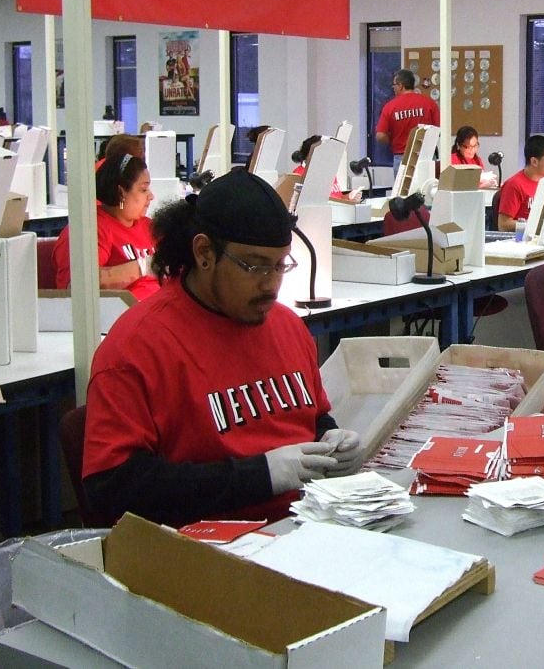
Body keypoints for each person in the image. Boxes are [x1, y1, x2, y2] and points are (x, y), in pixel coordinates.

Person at [82, 168, 364, 526]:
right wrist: (259, 476)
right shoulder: (138, 347)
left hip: (303, 524)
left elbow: (311, 418)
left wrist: (330, 438)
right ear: (204, 253)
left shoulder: (287, 327)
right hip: (207, 549)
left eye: (280, 265)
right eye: (255, 266)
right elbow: (111, 489)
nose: (271, 284)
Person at [52, 154, 160, 301]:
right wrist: (144, 266)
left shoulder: (149, 226)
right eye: (143, 189)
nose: (151, 196)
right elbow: (78, 286)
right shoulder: (89, 230)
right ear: (121, 193)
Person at [375, 68, 439, 172]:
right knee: (426, 187)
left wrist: (393, 140)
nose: (393, 88)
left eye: (394, 85)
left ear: (400, 85)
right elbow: (438, 131)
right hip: (426, 157)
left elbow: (380, 135)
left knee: (403, 188)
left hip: (402, 158)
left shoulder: (390, 107)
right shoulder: (429, 103)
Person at [496, 135, 544, 232]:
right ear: (534, 161)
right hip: (522, 241)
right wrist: (534, 226)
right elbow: (503, 225)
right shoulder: (514, 185)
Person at [292, 134, 361, 202]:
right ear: (309, 155)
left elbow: (338, 198)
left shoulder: (327, 171)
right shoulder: (299, 175)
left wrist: (349, 197)